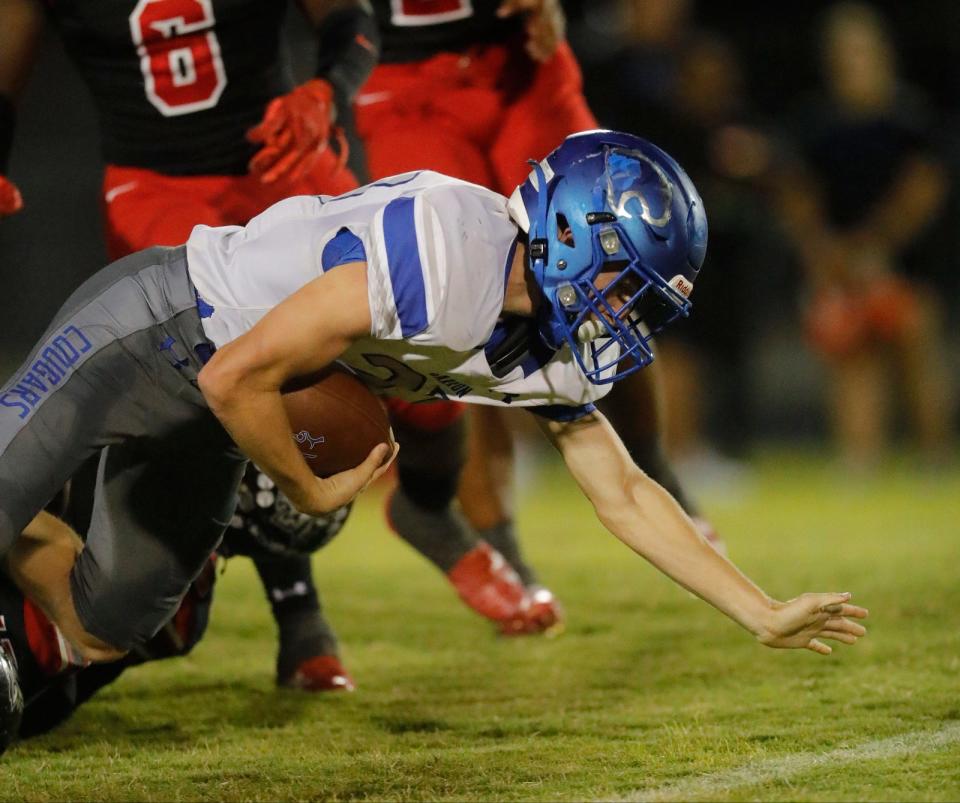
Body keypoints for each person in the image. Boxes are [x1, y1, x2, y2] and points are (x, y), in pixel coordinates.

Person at [0, 134, 869, 749]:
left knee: (108, 621)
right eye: (624, 282)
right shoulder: (451, 249)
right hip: (159, 329)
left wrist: (759, 610)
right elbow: (234, 372)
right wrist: (305, 489)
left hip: (232, 399)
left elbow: (627, 490)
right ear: (569, 230)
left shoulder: (552, 348)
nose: (626, 313)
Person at [0, 0, 380, 691]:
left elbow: (350, 17)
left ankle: (295, 597)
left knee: (330, 416)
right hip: (155, 195)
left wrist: (329, 90)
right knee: (210, 410)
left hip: (273, 167)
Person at [353, 0, 723, 638]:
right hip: (399, 79)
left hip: (521, 59)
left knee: (609, 254)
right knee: (463, 303)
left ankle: (652, 464)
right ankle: (499, 539)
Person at [775, 2, 954, 472]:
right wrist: (825, 255)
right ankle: (860, 460)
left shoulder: (909, 116)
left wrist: (877, 247)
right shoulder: (815, 122)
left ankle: (933, 456)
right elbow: (798, 196)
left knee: (915, 344)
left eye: (860, 49)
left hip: (904, 262)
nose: (851, 59)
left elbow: (924, 190)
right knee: (852, 354)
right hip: (839, 264)